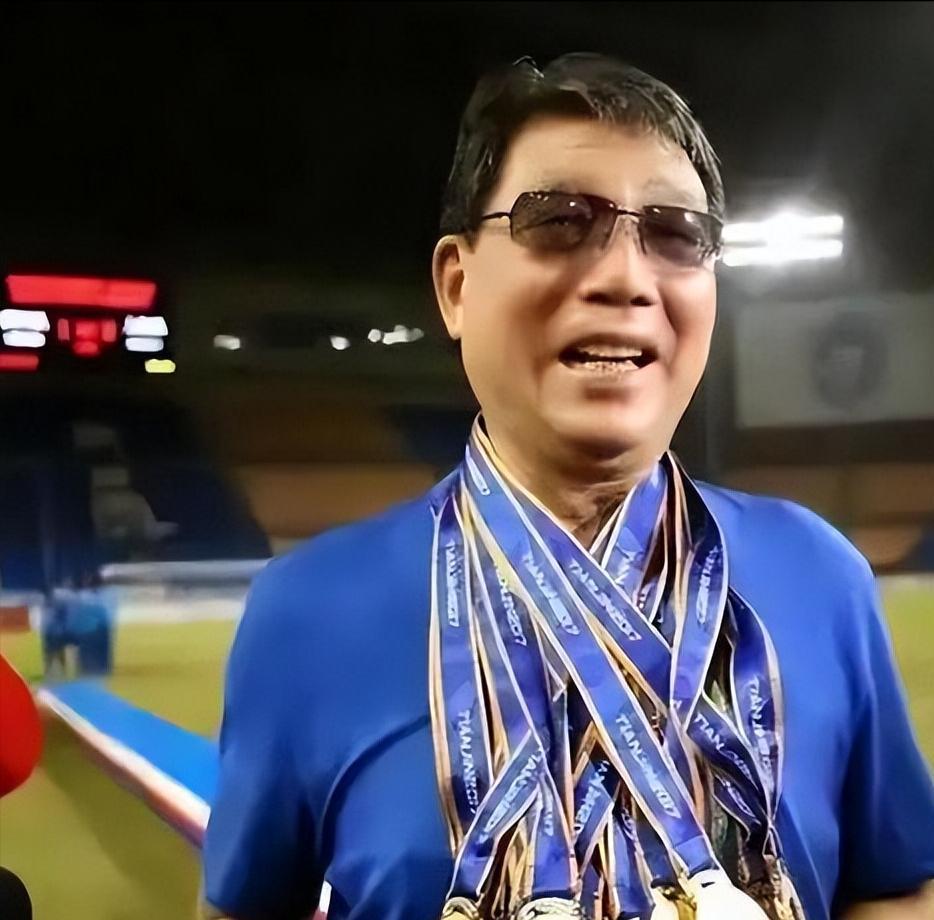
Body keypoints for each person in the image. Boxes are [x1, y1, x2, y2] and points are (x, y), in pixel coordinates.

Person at [202, 54, 934, 920]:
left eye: (675, 233)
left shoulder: (819, 575)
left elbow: (898, 886)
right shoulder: (307, 616)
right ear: (457, 286)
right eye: (558, 220)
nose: (625, 277)